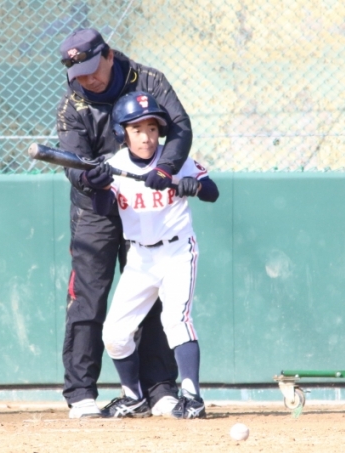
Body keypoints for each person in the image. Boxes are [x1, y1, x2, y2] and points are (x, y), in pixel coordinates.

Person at [56, 28, 193, 418]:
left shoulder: (149, 81)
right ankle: (82, 394)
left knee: (152, 293)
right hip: (96, 208)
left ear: (109, 56)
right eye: (78, 74)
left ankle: (160, 390)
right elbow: (73, 162)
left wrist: (165, 169)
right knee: (88, 297)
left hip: (146, 205)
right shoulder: (72, 106)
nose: (87, 80)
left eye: (91, 69)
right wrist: (89, 177)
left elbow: (180, 128)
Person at [92, 91, 219, 418]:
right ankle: (133, 398)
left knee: (176, 321)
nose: (146, 137)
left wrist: (192, 185)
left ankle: (192, 398)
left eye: (151, 128)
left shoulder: (173, 159)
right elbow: (104, 208)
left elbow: (212, 192)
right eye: (136, 129)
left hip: (178, 251)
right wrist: (100, 186)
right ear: (122, 133)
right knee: (114, 334)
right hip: (140, 258)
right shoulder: (116, 166)